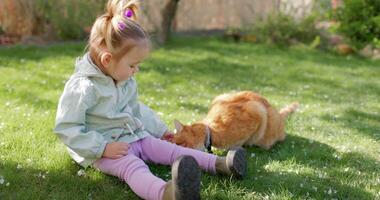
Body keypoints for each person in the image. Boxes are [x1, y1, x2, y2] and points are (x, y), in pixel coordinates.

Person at [54, 0, 247, 199]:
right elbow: (67, 127)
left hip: (134, 136)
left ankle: (219, 164)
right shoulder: (83, 87)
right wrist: (102, 148)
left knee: (168, 150)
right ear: (107, 60)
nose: (136, 70)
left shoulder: (124, 80)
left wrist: (160, 130)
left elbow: (137, 110)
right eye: (132, 65)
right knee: (132, 166)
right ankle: (167, 193)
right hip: (104, 149)